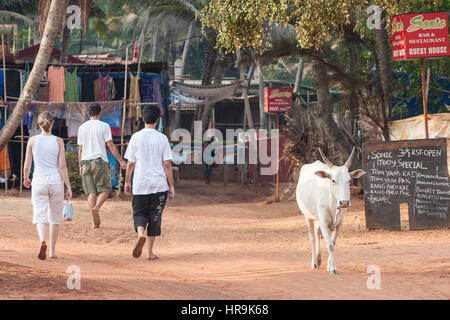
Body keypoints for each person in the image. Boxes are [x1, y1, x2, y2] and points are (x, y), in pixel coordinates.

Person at [124, 104, 175, 260]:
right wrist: (171, 185)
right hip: (159, 185)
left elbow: (130, 163)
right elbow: (167, 164)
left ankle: (140, 234)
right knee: (155, 217)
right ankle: (150, 252)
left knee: (139, 213)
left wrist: (127, 181)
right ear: (158, 119)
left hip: (140, 184)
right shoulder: (162, 138)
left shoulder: (135, 137)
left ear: (142, 119)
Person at [23, 111, 72, 260]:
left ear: (39, 124)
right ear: (52, 124)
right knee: (55, 218)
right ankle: (52, 251)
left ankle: (42, 240)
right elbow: (62, 166)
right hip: (56, 181)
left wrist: (26, 177)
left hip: (39, 181)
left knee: (40, 214)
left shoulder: (32, 140)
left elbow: (27, 165)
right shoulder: (58, 141)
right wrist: (68, 187)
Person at [77, 103, 126, 228]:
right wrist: (120, 161)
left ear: (88, 114)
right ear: (100, 113)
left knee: (91, 192)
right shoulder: (104, 126)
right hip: (99, 161)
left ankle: (94, 222)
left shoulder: (82, 127)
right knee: (106, 189)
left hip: (85, 161)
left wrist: (80, 165)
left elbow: (80, 149)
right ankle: (96, 208)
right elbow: (110, 145)